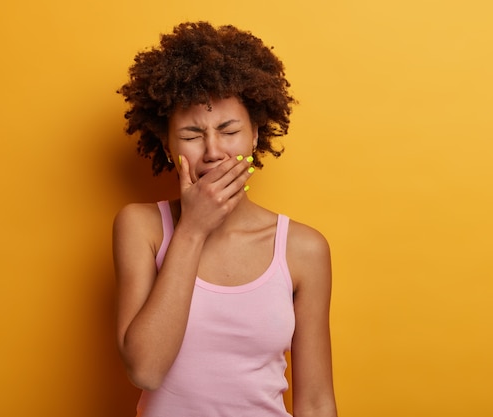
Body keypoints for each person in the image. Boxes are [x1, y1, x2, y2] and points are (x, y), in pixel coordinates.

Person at [113, 21, 337, 417]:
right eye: (192, 134)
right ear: (167, 146)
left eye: (229, 130)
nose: (213, 151)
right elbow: (145, 370)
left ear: (255, 135)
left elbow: (316, 402)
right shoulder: (140, 228)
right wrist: (194, 229)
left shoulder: (303, 249)